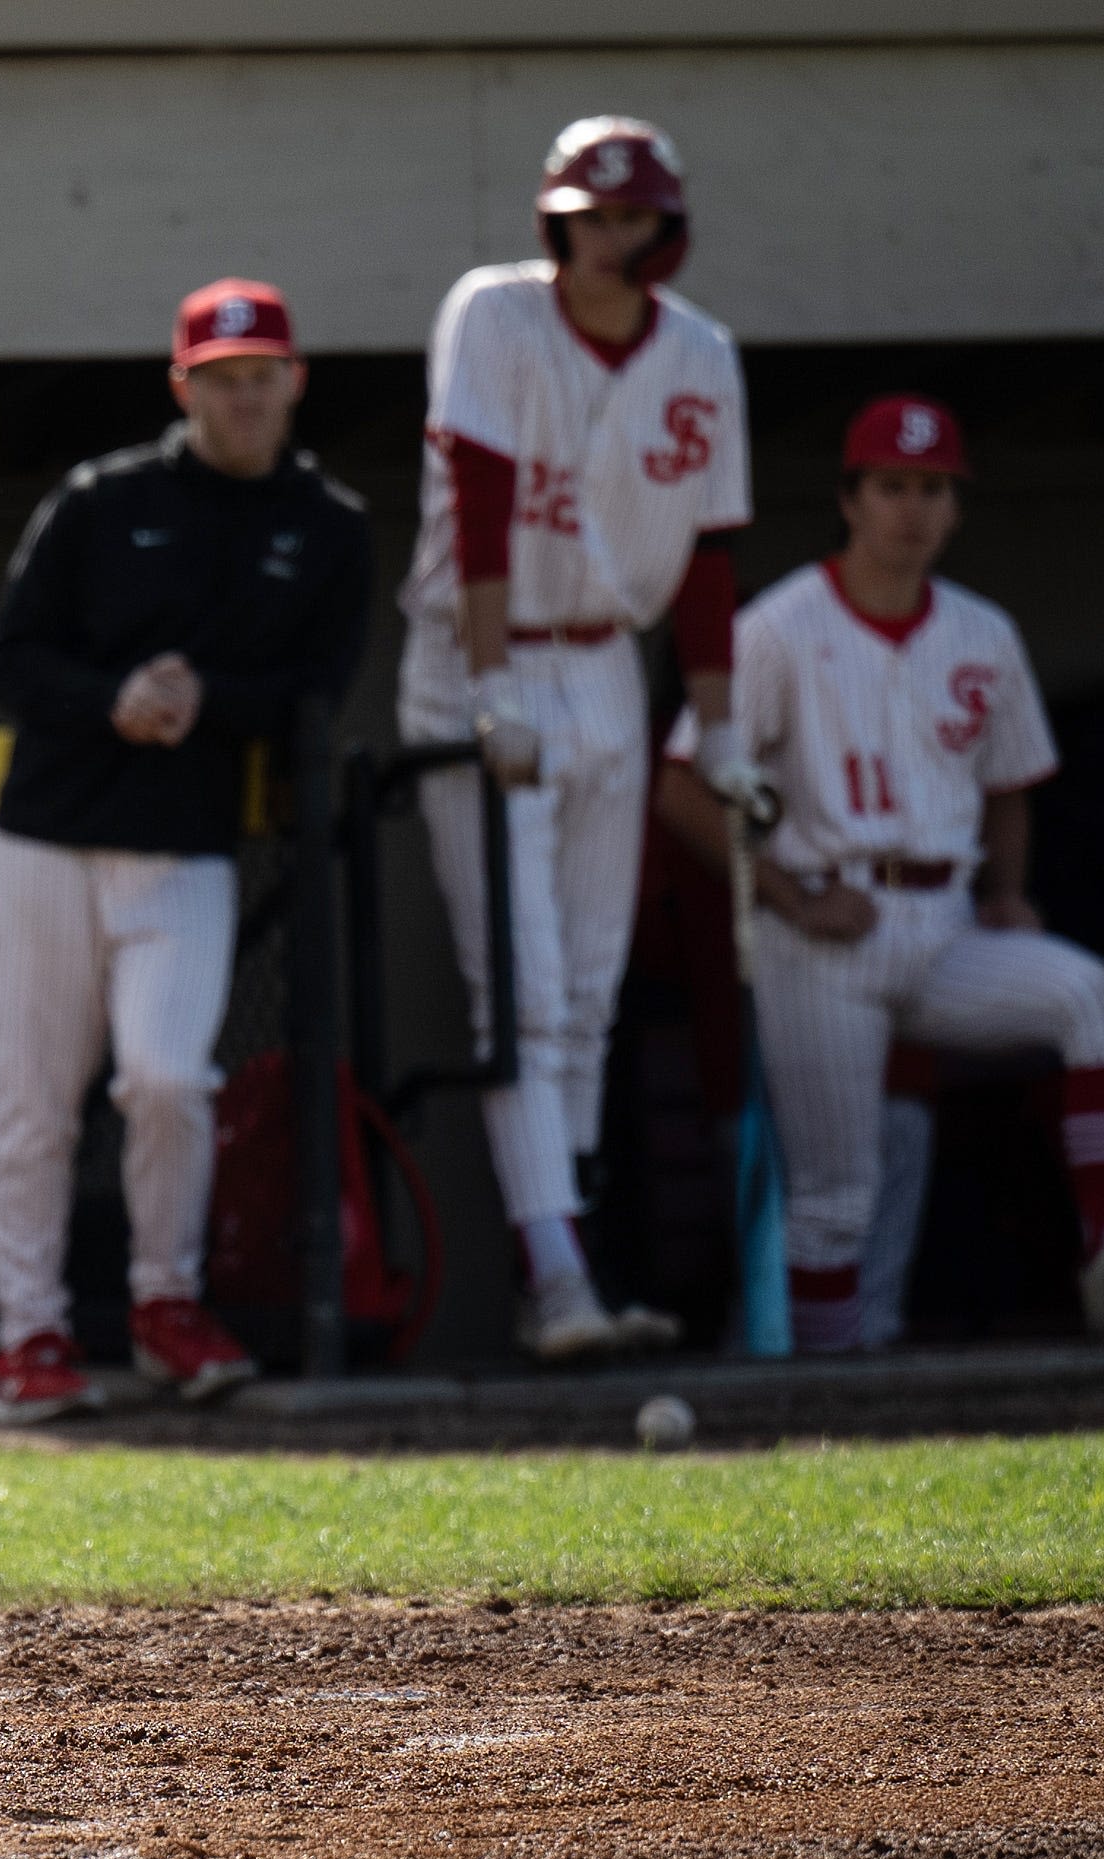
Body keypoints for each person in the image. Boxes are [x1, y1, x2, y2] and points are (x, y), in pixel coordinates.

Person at [399, 115, 766, 1362]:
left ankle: (569, 1270)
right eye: (591, 217)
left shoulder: (703, 354)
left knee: (592, 993)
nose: (610, 240)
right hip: (480, 661)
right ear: (558, 221)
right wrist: (492, 684)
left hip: (610, 662)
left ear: (664, 229)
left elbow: (711, 556)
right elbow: (484, 507)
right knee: (529, 985)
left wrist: (717, 729)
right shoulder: (494, 317)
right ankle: (555, 1275)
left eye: (632, 219)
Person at [0, 280, 369, 1424]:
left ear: (293, 383)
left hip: (189, 845)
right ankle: (29, 1336)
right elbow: (12, 658)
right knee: (34, 1101)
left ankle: (164, 1304)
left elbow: (317, 693)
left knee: (165, 1077)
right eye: (221, 381)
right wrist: (115, 700)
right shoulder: (102, 500)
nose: (245, 401)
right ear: (182, 387)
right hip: (49, 833)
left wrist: (210, 699)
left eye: (263, 379)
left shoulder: (329, 526)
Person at [656, 395, 1104, 1349]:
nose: (913, 509)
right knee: (834, 1199)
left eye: (933, 490)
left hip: (943, 922)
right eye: (893, 487)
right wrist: (789, 894)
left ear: (957, 508)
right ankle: (831, 1402)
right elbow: (684, 788)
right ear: (850, 500)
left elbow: (1010, 783)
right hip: (825, 927)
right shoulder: (780, 625)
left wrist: (1008, 893)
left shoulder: (982, 632)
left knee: (1088, 995)